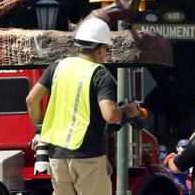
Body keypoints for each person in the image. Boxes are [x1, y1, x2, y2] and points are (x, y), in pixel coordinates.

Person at [25, 18, 141, 195]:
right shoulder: (100, 74)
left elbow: (31, 100)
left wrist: (40, 130)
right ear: (101, 49)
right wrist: (128, 111)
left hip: (57, 156)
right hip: (88, 155)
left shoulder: (57, 67)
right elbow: (110, 115)